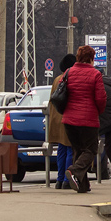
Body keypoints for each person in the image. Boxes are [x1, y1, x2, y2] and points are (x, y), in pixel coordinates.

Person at [61, 45, 106, 193]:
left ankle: (82, 185)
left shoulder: (68, 72)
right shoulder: (95, 74)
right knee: (91, 150)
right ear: (91, 59)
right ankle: (74, 171)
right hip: (88, 119)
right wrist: (98, 111)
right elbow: (101, 98)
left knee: (78, 151)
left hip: (69, 120)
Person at [47, 54, 75, 190]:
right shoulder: (71, 78)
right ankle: (66, 180)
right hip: (67, 117)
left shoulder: (57, 79)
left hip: (56, 118)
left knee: (61, 150)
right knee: (70, 148)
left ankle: (59, 180)